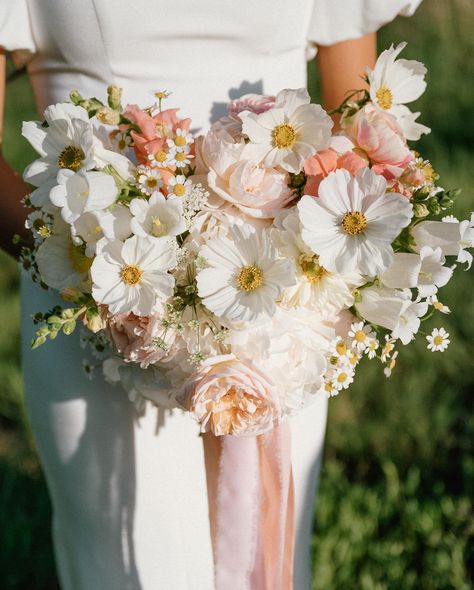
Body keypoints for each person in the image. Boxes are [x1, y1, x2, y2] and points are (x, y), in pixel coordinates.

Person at [0, 1, 422, 588]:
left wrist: (311, 261)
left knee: (268, 549)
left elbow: (363, 123)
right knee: (129, 566)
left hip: (285, 301)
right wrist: (117, 271)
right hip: (97, 307)